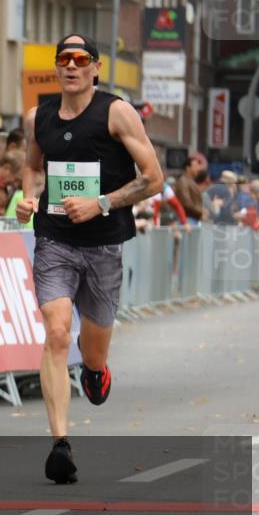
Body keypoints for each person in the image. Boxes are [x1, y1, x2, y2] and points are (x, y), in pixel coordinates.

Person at [15, 34, 163, 484]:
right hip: (54, 240)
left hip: (103, 244)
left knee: (92, 352)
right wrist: (28, 197)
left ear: (96, 68)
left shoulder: (117, 112)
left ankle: (95, 371)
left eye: (81, 59)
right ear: (56, 66)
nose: (71, 66)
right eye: (64, 58)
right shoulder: (38, 116)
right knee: (57, 332)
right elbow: (33, 165)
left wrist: (100, 204)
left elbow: (153, 178)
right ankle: (60, 443)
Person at [175, 152, 208, 223]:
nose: (197, 169)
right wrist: (200, 211)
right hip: (188, 220)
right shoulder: (183, 181)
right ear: (188, 168)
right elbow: (186, 202)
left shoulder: (190, 181)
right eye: (195, 166)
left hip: (194, 219)